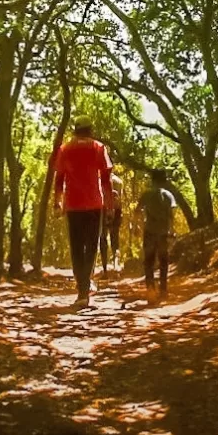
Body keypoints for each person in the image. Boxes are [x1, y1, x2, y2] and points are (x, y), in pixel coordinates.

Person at [52, 114, 113, 306]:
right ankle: (85, 288)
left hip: (73, 205)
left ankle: (82, 289)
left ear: (75, 130)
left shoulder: (65, 149)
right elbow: (106, 178)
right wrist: (110, 203)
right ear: (90, 130)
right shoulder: (98, 147)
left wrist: (57, 201)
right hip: (94, 204)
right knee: (91, 246)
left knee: (77, 247)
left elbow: (59, 178)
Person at [136, 167, 176, 301]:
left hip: (149, 231)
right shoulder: (168, 195)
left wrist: (138, 225)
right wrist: (172, 230)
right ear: (164, 181)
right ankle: (163, 289)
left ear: (152, 180)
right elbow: (172, 215)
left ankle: (150, 288)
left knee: (149, 261)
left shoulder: (146, 195)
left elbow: (138, 211)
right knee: (163, 261)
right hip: (163, 232)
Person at [99, 171, 123, 274]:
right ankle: (116, 265)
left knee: (103, 238)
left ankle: (105, 269)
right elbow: (120, 198)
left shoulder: (100, 181)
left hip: (103, 210)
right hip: (116, 210)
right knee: (115, 238)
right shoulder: (119, 181)